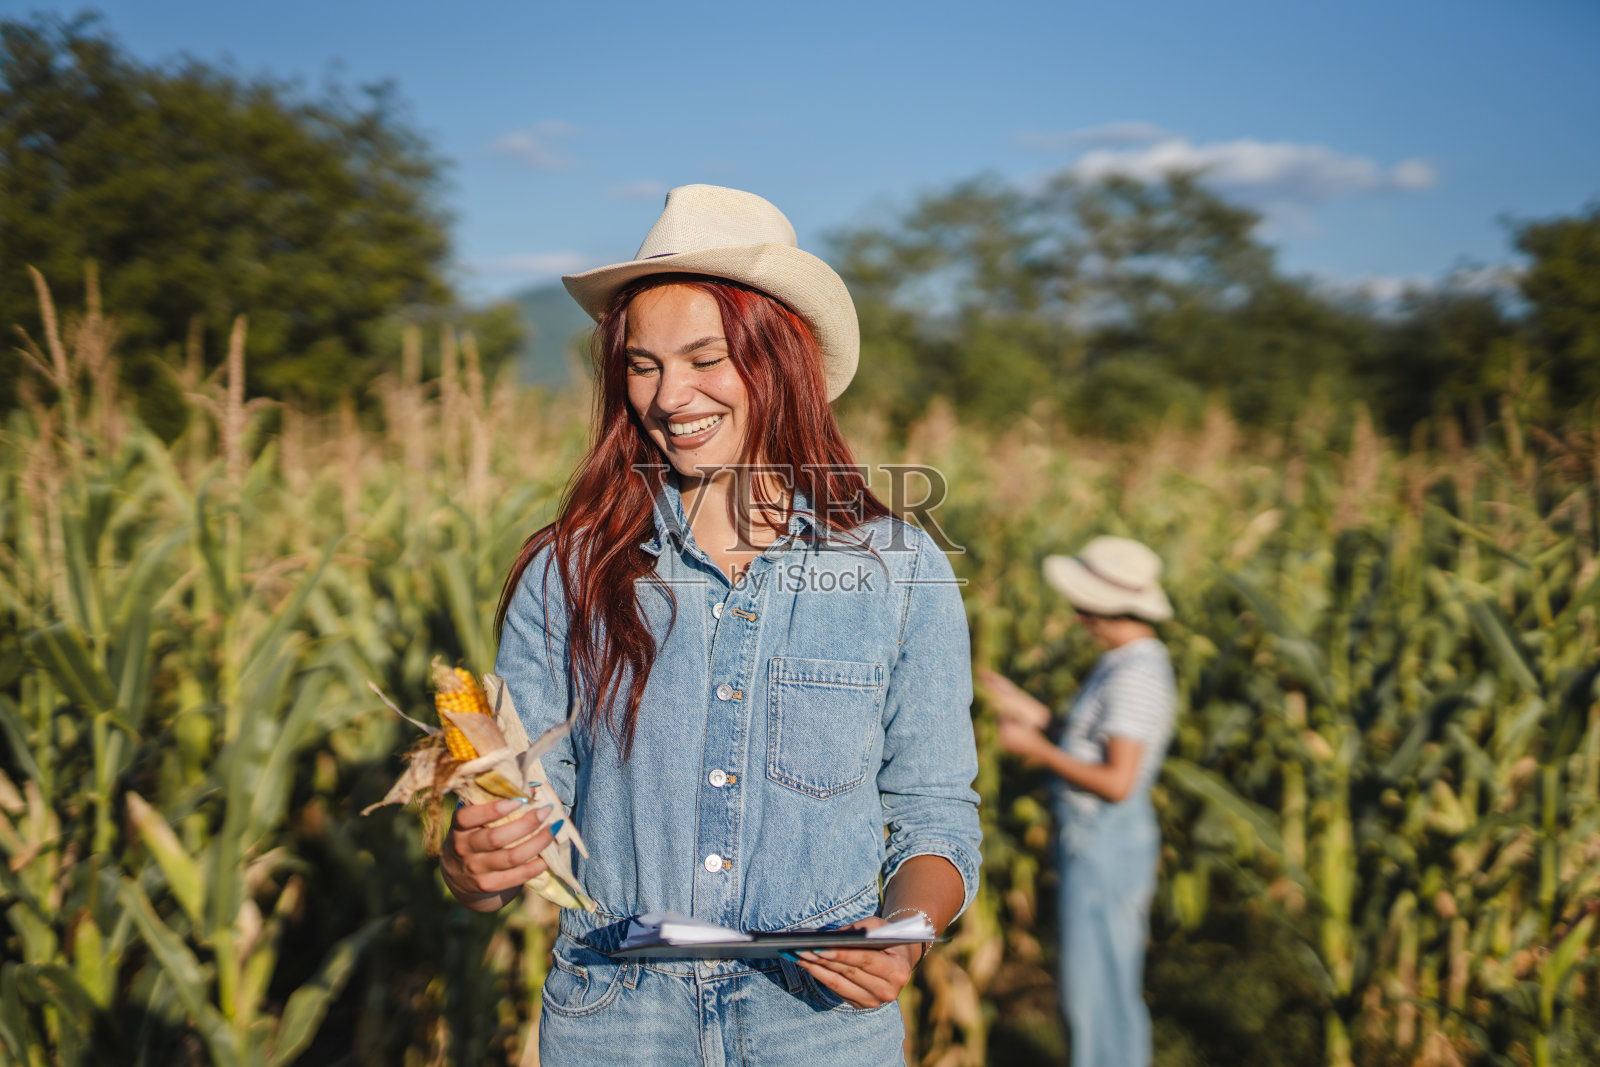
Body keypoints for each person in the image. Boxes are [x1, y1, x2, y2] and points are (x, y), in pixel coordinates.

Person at [437, 185, 981, 1066]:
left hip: (817, 1022)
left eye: (704, 357)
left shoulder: (897, 568)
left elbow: (936, 812)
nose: (668, 395)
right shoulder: (567, 572)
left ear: (781, 360)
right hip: (617, 1018)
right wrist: (473, 864)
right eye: (642, 365)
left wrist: (904, 932)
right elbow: (517, 821)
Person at [981, 536, 1176, 1067]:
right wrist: (1036, 714)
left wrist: (1037, 749)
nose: (1077, 616)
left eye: (1083, 605)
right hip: (1097, 838)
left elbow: (1117, 781)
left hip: (1106, 842)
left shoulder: (1136, 675)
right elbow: (1095, 742)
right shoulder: (1125, 662)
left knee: (1099, 993)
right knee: (1094, 984)